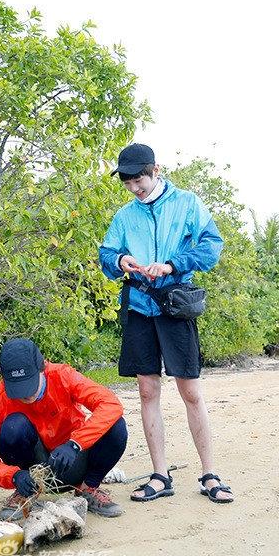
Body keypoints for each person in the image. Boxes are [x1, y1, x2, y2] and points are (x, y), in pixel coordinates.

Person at [98, 143, 233, 504]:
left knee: (190, 391)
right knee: (147, 391)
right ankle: (160, 475)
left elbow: (212, 245)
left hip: (174, 306)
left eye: (138, 179)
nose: (133, 188)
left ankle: (209, 474)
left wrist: (172, 264)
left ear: (155, 170)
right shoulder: (125, 216)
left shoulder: (187, 203)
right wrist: (121, 260)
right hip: (139, 308)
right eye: (127, 182)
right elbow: (106, 254)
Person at [0, 338, 128, 519]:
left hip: (74, 461)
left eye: (28, 384)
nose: (25, 395)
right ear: (2, 376)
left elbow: (110, 404)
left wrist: (75, 444)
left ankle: (88, 488)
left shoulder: (62, 375)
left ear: (42, 367)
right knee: (13, 427)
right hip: (33, 473)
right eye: (18, 388)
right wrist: (14, 476)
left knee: (116, 426)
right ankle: (26, 492)